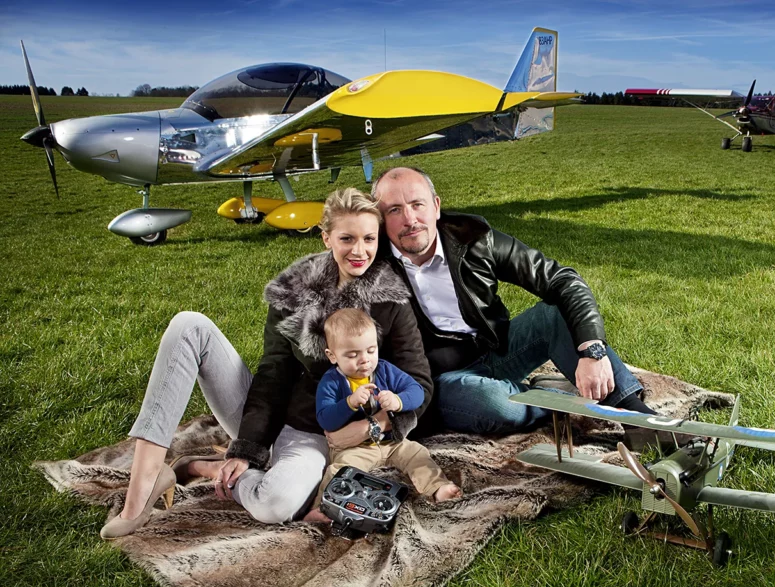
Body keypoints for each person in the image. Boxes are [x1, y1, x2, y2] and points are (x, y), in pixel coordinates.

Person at [100, 187, 431, 538]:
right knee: (189, 325)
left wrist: (374, 427)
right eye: (347, 238)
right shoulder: (294, 291)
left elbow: (419, 382)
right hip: (280, 417)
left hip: (322, 435)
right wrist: (248, 447)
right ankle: (145, 480)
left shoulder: (391, 298)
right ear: (326, 238)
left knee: (275, 504)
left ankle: (202, 468)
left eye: (369, 238)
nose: (359, 250)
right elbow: (273, 371)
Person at [371, 167, 657, 437]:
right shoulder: (371, 269)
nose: (409, 219)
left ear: (435, 206)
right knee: (495, 403)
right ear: (382, 220)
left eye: (417, 204)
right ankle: (559, 400)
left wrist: (592, 351)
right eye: (394, 210)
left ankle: (640, 420)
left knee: (554, 315)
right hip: (442, 381)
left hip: (498, 353)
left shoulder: (474, 239)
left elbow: (562, 280)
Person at [303, 308, 460, 524]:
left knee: (417, 454)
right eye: (352, 355)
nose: (364, 360)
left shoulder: (385, 370)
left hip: (392, 441)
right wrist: (348, 403)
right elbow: (326, 419)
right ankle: (322, 508)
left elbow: (416, 391)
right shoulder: (331, 382)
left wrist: (398, 401)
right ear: (332, 356)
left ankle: (437, 487)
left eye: (370, 350)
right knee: (339, 471)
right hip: (354, 448)